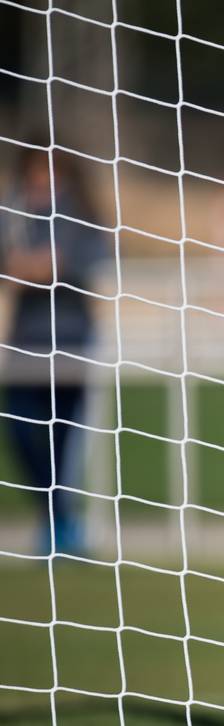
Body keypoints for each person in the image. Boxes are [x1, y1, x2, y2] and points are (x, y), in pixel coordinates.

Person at [1, 149, 105, 557]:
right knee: (21, 431)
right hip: (25, 346)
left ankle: (62, 527)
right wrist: (33, 267)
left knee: (63, 439)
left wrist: (34, 268)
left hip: (71, 343)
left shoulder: (79, 215)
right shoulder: (13, 216)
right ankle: (57, 517)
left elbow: (67, 264)